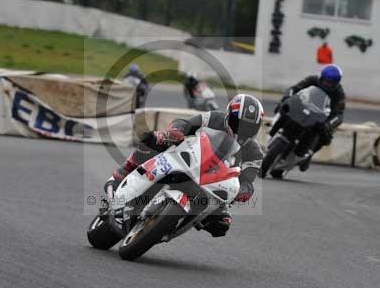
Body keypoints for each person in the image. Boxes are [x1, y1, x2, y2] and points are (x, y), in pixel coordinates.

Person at [105, 94, 265, 238]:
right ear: (229, 116)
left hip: (214, 183)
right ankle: (122, 173)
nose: (243, 129)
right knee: (154, 139)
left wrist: (244, 191)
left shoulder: (255, 152)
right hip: (191, 158)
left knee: (222, 223)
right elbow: (185, 123)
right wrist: (176, 131)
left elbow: (247, 180)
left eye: (249, 127)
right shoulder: (214, 118)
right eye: (239, 123)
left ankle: (170, 226)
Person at [271, 65, 345, 171]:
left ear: (336, 83)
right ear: (321, 77)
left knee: (325, 135)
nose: (326, 84)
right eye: (325, 81)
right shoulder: (312, 80)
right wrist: (287, 97)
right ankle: (273, 129)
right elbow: (294, 89)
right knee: (283, 107)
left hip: (320, 117)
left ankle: (308, 153)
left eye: (330, 82)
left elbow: (339, 114)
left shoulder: (339, 93)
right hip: (302, 108)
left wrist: (329, 124)